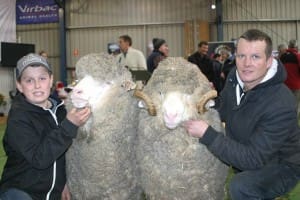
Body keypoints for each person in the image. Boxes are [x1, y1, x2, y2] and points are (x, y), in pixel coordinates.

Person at [184, 29, 300, 200]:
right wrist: (208, 101)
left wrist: (206, 133)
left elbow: (253, 159)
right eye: (241, 56)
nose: (246, 64)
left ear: (269, 61)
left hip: (283, 164)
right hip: (249, 150)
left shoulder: (281, 103)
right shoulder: (235, 78)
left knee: (242, 186)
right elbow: (224, 107)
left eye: (255, 57)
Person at [0, 53, 91, 200]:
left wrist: (65, 182)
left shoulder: (61, 111)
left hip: (52, 194)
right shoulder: (18, 118)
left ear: (51, 80)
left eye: (42, 78)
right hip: (21, 192)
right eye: (29, 80)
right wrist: (69, 126)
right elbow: (39, 159)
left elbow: (64, 153)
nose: (37, 85)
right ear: (19, 86)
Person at [280, 39, 300, 118]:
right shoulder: (298, 56)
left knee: (286, 103)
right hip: (296, 85)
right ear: (297, 47)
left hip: (285, 85)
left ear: (288, 46)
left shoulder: (282, 56)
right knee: (295, 104)